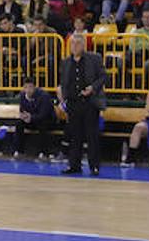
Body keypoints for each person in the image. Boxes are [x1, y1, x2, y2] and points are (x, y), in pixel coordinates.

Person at [59, 33, 106, 176]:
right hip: (73, 103)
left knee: (92, 136)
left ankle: (94, 166)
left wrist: (93, 88)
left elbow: (103, 76)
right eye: (72, 44)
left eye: (78, 43)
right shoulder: (66, 62)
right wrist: (63, 99)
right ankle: (74, 165)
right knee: (75, 136)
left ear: (84, 45)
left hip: (90, 103)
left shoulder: (94, 58)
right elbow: (64, 82)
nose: (75, 46)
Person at [15, 76, 58, 161]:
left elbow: (44, 114)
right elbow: (22, 110)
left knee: (42, 124)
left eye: (30, 87)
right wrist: (24, 116)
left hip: (48, 120)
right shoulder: (22, 95)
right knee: (19, 123)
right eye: (26, 87)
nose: (28, 90)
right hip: (32, 120)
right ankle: (19, 151)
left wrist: (31, 117)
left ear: (34, 87)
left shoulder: (44, 96)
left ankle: (44, 153)